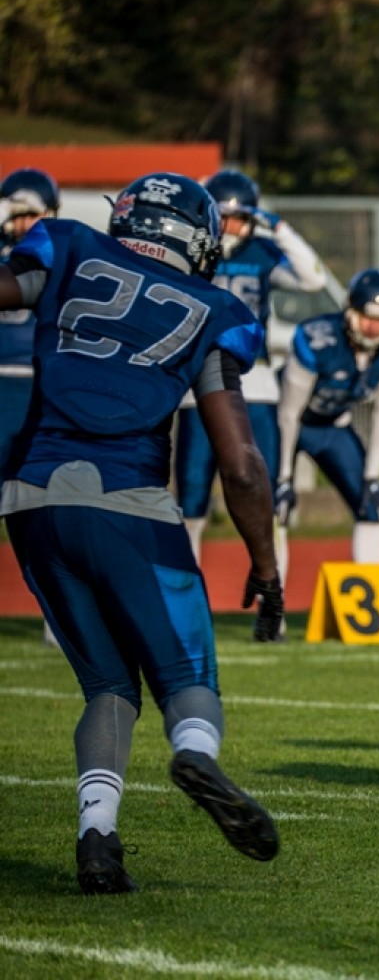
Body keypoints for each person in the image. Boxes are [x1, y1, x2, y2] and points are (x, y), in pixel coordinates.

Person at [0, 172, 285, 892]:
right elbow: (241, 465)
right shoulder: (216, 308)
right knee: (187, 679)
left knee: (107, 684)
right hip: (129, 500)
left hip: (32, 499)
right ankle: (196, 754)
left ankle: (98, 839)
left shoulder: (67, 244)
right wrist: (266, 566)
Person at [174, 169, 328, 565]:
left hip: (254, 379)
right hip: (196, 379)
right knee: (191, 498)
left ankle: (270, 592)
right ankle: (187, 590)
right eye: (221, 217)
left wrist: (279, 229)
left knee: (267, 495)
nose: (228, 227)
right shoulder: (189, 252)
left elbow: (313, 279)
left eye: (238, 217)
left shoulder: (262, 252)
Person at [274, 269, 379, 565]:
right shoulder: (319, 339)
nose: (372, 327)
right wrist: (284, 476)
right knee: (276, 508)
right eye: (366, 317)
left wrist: (374, 476)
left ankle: (370, 587)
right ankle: (272, 595)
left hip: (332, 426)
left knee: (371, 504)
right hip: (285, 425)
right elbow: (288, 413)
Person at [0, 168, 60, 473]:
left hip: (38, 376)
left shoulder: (58, 254)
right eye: (17, 215)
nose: (23, 224)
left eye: (31, 215)